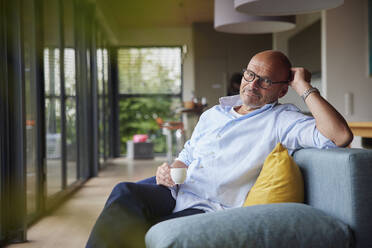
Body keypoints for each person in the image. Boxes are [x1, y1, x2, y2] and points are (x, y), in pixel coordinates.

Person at [86, 50, 353, 248]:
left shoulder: (282, 120)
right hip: (180, 188)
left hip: (209, 204)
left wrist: (303, 86)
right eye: (250, 74)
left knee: (152, 232)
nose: (252, 84)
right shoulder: (215, 113)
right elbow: (188, 154)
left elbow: (340, 136)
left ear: (283, 90)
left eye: (265, 81)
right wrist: (171, 170)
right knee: (123, 193)